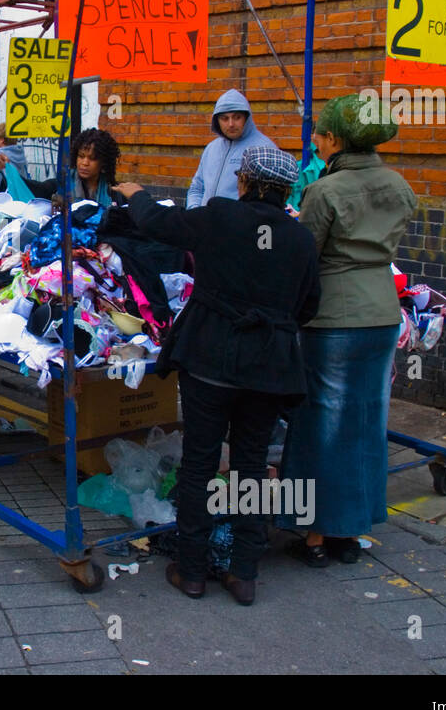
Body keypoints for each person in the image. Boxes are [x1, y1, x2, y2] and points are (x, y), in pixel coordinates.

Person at [114, 146, 321, 606]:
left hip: (210, 359)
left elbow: (159, 225)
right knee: (251, 466)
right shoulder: (300, 239)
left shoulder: (219, 216)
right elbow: (309, 307)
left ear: (244, 182)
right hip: (268, 368)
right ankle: (244, 574)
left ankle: (191, 572)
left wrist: (136, 194)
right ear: (285, 190)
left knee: (200, 462)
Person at [277, 94, 416, 566]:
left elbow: (305, 257)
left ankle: (315, 534)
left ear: (335, 139)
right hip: (381, 313)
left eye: (318, 134)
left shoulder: (325, 191)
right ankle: (351, 532)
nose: (313, 141)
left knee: (321, 423)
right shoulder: (399, 186)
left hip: (333, 316)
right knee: (366, 422)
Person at [186, 89, 275, 208]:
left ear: (246, 118)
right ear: (217, 121)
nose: (231, 124)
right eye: (225, 118)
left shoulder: (264, 149)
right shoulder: (211, 148)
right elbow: (197, 188)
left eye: (237, 117)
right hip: (204, 223)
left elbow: (268, 201)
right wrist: (194, 212)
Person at [16, 127, 125, 206]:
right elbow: (37, 188)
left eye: (92, 158)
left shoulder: (114, 193)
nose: (85, 163)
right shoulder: (61, 185)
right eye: (81, 156)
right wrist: (8, 170)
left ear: (103, 163)